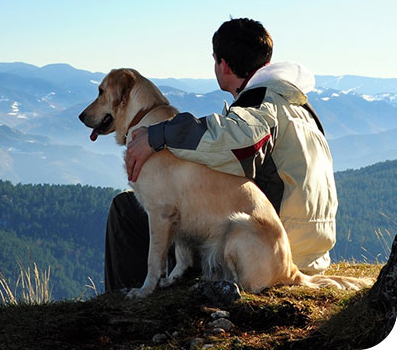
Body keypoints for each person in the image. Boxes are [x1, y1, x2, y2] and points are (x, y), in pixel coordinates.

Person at [105, 17, 338, 292]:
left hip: (267, 249)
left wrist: (158, 135)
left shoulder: (260, 105)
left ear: (223, 65)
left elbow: (236, 141)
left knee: (130, 210)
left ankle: (130, 300)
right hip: (306, 250)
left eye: (214, 60)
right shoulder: (298, 106)